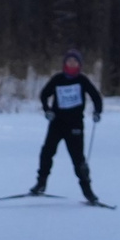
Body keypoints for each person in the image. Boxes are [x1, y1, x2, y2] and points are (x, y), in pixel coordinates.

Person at [30, 50, 104, 202]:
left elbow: (96, 97)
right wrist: (47, 110)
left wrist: (97, 112)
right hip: (57, 124)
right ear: (65, 64)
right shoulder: (58, 79)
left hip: (75, 125)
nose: (71, 64)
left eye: (74, 62)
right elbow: (44, 94)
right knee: (47, 153)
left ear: (79, 64)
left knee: (78, 159)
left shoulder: (82, 80)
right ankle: (41, 183)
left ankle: (88, 191)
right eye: (69, 61)